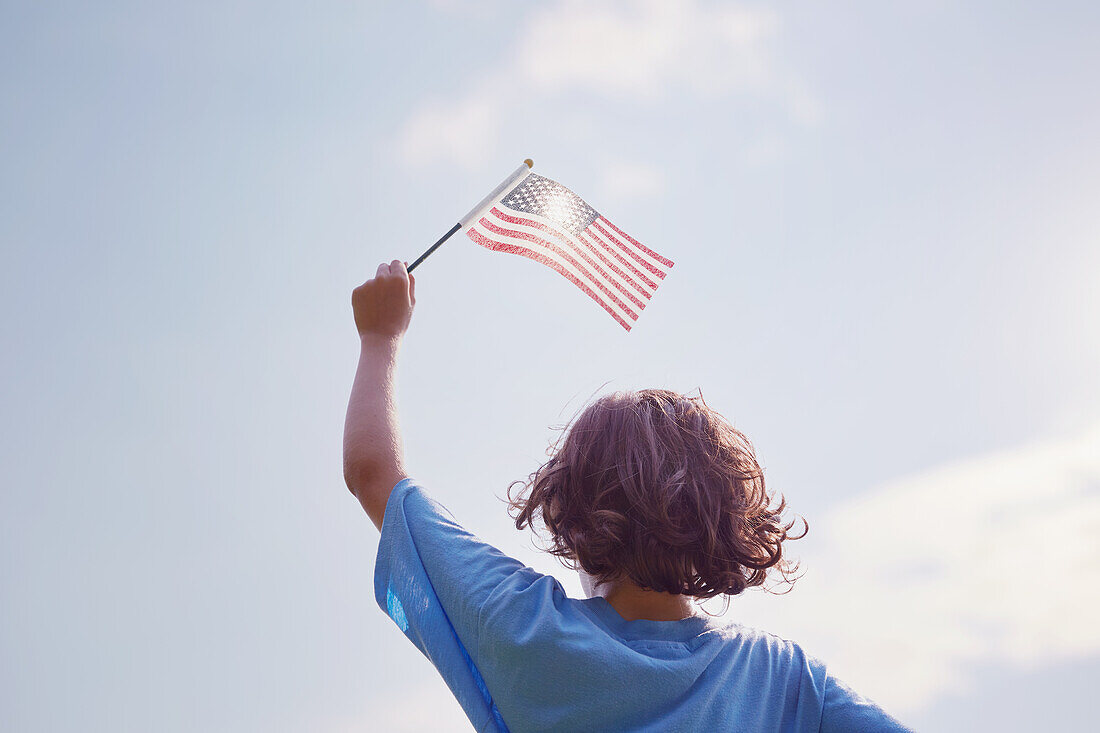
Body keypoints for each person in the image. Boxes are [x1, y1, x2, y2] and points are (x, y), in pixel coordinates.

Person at [344, 260, 911, 732]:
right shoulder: (781, 676)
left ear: (565, 512)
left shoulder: (525, 627)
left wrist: (380, 337)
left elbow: (373, 474)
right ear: (726, 520)